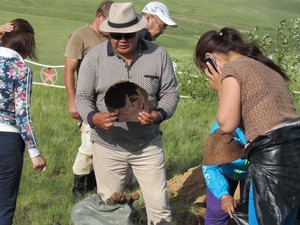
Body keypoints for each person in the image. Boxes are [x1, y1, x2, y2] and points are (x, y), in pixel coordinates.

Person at [75, 2, 179, 225]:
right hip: (107, 147)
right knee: (109, 211)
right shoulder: (94, 58)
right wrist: (94, 119)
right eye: (115, 35)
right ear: (108, 32)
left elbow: (170, 94)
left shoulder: (159, 55)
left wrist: (158, 114)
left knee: (159, 208)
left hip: (147, 145)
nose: (122, 40)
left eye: (129, 34)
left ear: (138, 30)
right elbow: (82, 97)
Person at [195, 27, 300, 225]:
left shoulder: (233, 69)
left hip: (271, 159)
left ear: (210, 59)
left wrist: (220, 87)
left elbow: (226, 124)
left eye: (205, 71)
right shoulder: (267, 68)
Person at [64, 0, 113, 202]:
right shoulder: (80, 36)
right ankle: (78, 187)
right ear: (100, 17)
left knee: (105, 145)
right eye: (110, 21)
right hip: (87, 102)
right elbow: (69, 70)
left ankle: (93, 183)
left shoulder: (112, 37)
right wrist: (73, 102)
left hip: (109, 102)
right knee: (88, 145)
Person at [0, 18, 47, 225]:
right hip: (7, 141)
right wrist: (34, 153)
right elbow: (22, 114)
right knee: (4, 205)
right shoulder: (21, 70)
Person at [202, 121, 248, 225]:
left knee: (255, 212)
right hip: (224, 170)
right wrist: (223, 195)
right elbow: (210, 167)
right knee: (217, 212)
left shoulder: (264, 127)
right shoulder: (219, 133)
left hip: (255, 172)